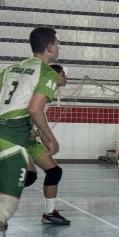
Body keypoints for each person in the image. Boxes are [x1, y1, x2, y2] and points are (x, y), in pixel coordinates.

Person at [0, 27, 61, 237]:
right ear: (50, 46)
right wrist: (49, 138)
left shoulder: (12, 68)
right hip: (10, 140)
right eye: (57, 44)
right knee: (6, 204)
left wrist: (2, 120)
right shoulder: (47, 73)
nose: (58, 48)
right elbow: (35, 108)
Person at [24, 63, 71, 225]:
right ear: (54, 75)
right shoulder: (38, 88)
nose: (66, 77)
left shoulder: (48, 92)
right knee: (29, 177)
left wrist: (47, 142)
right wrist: (28, 128)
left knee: (54, 172)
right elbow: (25, 109)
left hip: (31, 141)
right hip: (16, 137)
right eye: (63, 74)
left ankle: (49, 214)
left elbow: (39, 122)